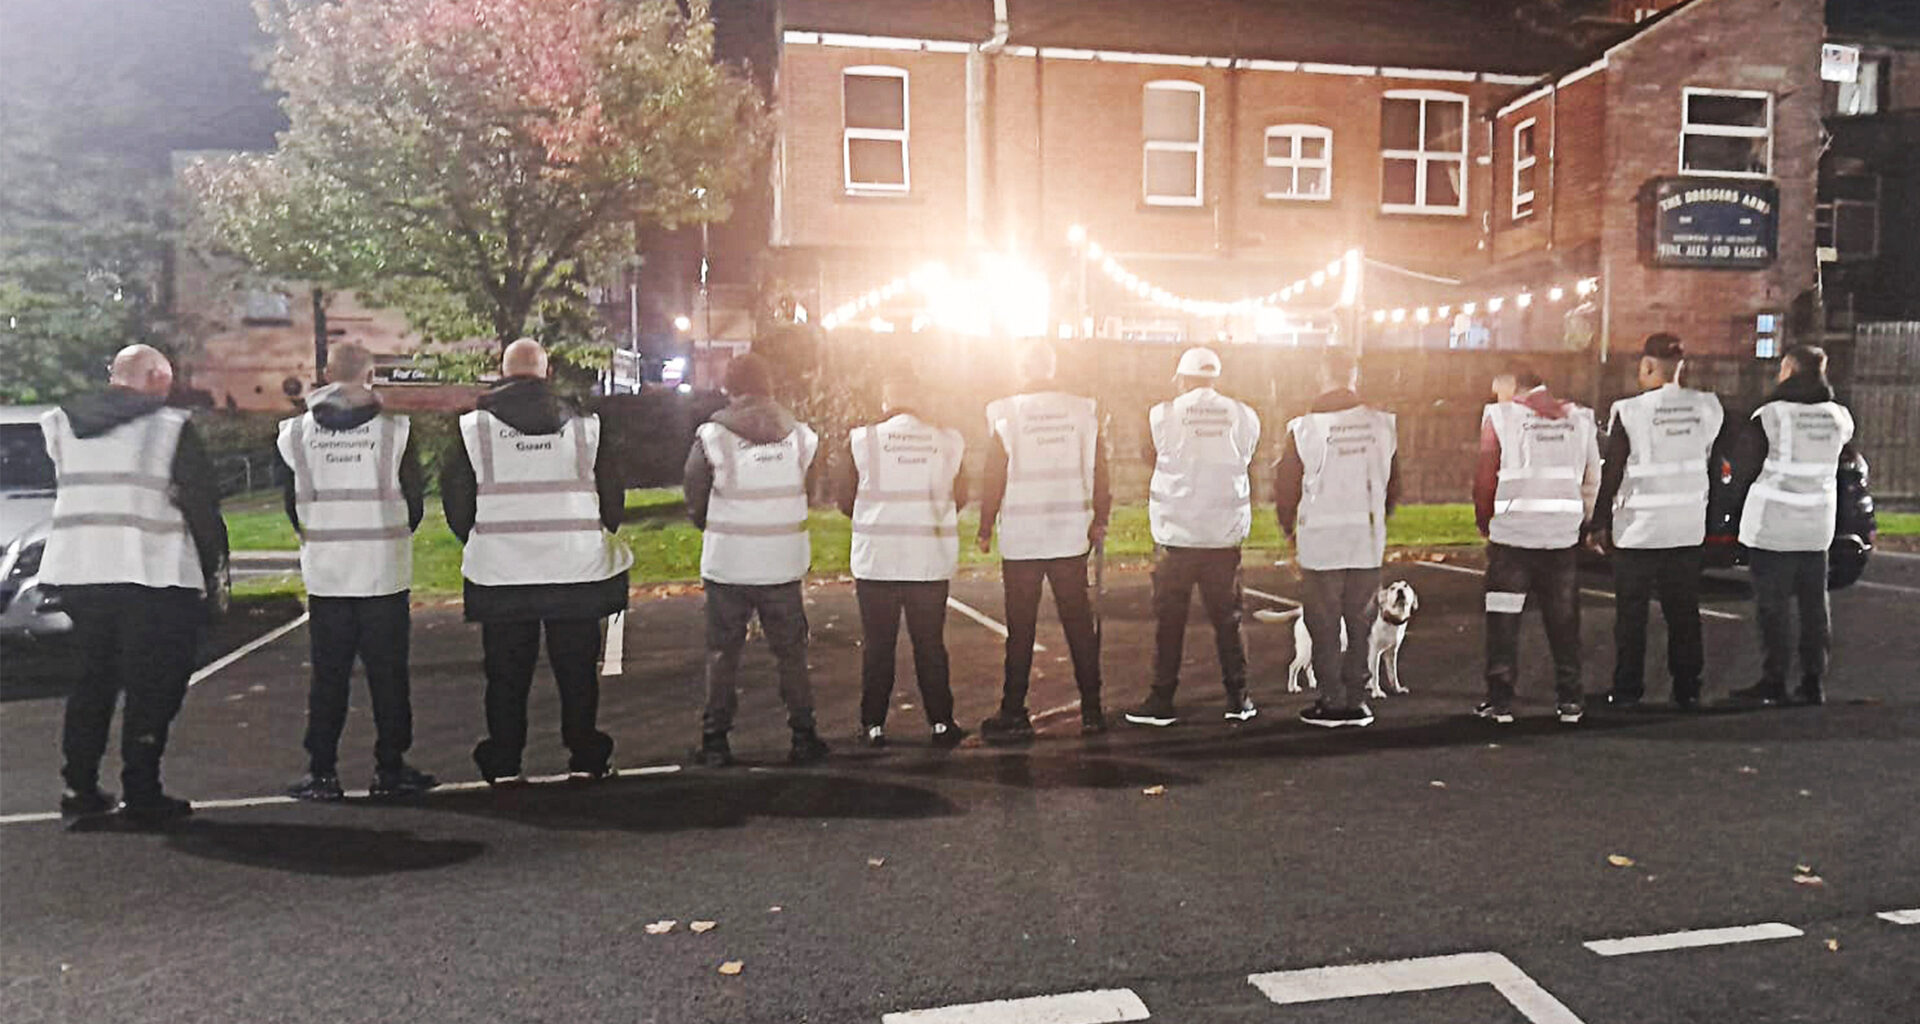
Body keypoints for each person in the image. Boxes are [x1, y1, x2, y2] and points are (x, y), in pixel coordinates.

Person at [38, 344, 227, 825]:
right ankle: (141, 791)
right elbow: (202, 505)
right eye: (164, 381)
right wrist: (213, 572)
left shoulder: (60, 423)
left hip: (80, 572)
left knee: (91, 682)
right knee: (153, 685)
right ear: (153, 378)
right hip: (152, 574)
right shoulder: (169, 427)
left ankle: (78, 787)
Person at [442, 339, 632, 785]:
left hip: (502, 572)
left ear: (502, 373)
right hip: (575, 569)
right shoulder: (586, 426)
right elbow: (613, 499)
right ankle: (585, 754)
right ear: (547, 373)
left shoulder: (474, 429)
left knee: (506, 674)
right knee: (577, 671)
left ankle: (505, 761)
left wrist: (483, 538)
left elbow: (457, 502)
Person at [275, 342, 437, 800]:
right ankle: (390, 769)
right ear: (369, 376)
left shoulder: (294, 434)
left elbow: (291, 504)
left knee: (328, 676)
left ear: (327, 375)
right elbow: (414, 502)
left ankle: (322, 771)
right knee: (389, 676)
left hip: (327, 574)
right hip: (383, 573)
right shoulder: (394, 431)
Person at [684, 354, 829, 765]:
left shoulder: (713, 435)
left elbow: (694, 493)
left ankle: (715, 742)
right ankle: (804, 735)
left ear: (731, 389)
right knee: (791, 654)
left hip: (729, 562)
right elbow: (814, 488)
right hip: (782, 563)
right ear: (769, 387)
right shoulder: (801, 436)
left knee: (722, 653)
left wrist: (711, 525)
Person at [976, 340, 1112, 742]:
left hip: (1022, 538)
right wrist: (1100, 517)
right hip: (1070, 534)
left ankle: (1014, 710)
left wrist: (985, 526)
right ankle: (1092, 709)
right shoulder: (1082, 410)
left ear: (1023, 369)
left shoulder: (1006, 413)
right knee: (1079, 627)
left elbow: (993, 474)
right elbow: (1098, 468)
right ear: (1051, 369)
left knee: (1021, 630)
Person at [1123, 347, 1262, 728]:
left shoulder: (1163, 414)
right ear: (1214, 378)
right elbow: (1247, 456)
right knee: (1228, 620)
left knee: (1170, 623)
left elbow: (1148, 454)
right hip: (1223, 536)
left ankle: (1162, 699)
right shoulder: (1243, 415)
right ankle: (1239, 697)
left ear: (1182, 379)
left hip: (1178, 535)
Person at [833, 369, 969, 748]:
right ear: (920, 399)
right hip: (928, 561)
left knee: (878, 646)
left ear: (886, 400)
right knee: (930, 644)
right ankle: (941, 722)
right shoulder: (947, 441)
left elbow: (844, 498)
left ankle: (873, 725)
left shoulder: (863, 441)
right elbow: (961, 495)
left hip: (878, 562)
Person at [1589, 334, 1724, 711]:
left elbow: (1613, 470)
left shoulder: (1630, 411)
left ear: (1648, 367)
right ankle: (1688, 689)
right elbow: (1710, 464)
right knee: (1683, 614)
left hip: (1638, 530)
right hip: (1685, 528)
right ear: (1681, 368)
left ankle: (1628, 688)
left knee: (1631, 617)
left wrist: (1598, 522)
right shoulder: (1708, 407)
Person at [1274, 348, 1400, 728]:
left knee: (1324, 624)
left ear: (1321, 374)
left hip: (1320, 543)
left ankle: (1330, 699)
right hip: (1365, 541)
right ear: (1354, 375)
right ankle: (1357, 699)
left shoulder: (1305, 429)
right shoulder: (1383, 425)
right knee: (1361, 623)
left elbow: (1286, 489)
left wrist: (1289, 532)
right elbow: (1393, 486)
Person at [1472, 362, 1602, 725]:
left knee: (1503, 622)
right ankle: (1570, 701)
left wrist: (1486, 521)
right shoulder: (1579, 419)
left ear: (1512, 385)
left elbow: (1486, 477)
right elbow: (1593, 476)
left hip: (1511, 539)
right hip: (1560, 540)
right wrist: (1582, 520)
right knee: (1563, 623)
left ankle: (1500, 703)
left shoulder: (1502, 417)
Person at [1725, 345, 1854, 707]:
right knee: (1815, 606)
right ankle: (1813, 681)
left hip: (1773, 527)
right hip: (1816, 528)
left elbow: (1743, 468)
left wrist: (1734, 511)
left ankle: (1774, 680)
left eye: (1783, 367)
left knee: (1773, 607)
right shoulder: (1838, 416)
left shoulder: (1771, 415)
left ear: (1792, 369)